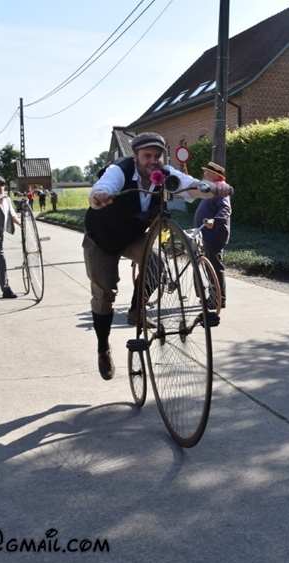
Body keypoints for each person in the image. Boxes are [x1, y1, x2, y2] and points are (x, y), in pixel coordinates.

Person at [84, 132, 234, 380]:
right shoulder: (120, 171)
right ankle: (103, 348)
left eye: (157, 155)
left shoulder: (165, 175)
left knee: (157, 261)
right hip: (102, 239)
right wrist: (98, 196)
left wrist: (216, 189)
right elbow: (103, 187)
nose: (153, 161)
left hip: (132, 237)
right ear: (135, 157)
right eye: (147, 156)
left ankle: (137, 310)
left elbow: (192, 185)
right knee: (104, 294)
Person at [194, 161, 231, 309]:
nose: (204, 175)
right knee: (211, 268)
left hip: (214, 234)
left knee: (215, 268)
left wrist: (214, 221)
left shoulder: (221, 189)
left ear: (215, 175)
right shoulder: (212, 189)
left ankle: (218, 300)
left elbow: (226, 209)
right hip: (207, 234)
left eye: (206, 174)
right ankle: (213, 297)